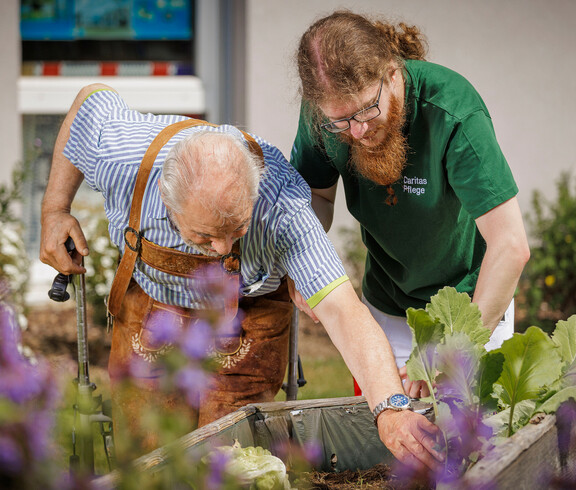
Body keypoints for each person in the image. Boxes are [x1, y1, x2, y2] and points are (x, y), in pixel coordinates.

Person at [40, 83, 444, 469]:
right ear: (167, 199)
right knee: (147, 457)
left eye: (236, 229)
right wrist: (54, 209)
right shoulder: (123, 159)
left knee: (230, 458)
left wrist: (391, 408)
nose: (220, 250)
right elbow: (90, 101)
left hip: (250, 318)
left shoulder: (283, 204)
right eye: (203, 235)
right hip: (153, 307)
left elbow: (343, 311)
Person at [290, 10, 530, 396]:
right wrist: (304, 258)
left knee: (474, 447)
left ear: (393, 73)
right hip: (385, 306)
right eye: (341, 121)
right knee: (384, 444)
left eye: (368, 109)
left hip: (472, 306)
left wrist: (458, 354)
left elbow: (510, 246)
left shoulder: (452, 110)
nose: (358, 130)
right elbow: (316, 197)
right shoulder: (323, 115)